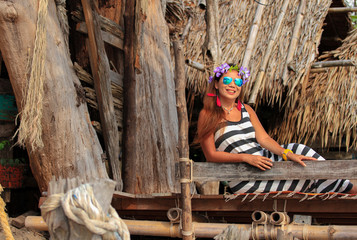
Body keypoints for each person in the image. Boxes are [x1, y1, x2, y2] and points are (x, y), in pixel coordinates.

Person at [196, 63, 357, 194]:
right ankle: (349, 190)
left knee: (298, 151)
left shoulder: (247, 109)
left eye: (238, 82)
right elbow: (211, 155)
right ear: (216, 84)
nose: (233, 85)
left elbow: (264, 139)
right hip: (245, 177)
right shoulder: (208, 114)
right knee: (308, 179)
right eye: (227, 81)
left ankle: (347, 188)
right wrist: (246, 158)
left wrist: (286, 153)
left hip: (266, 162)